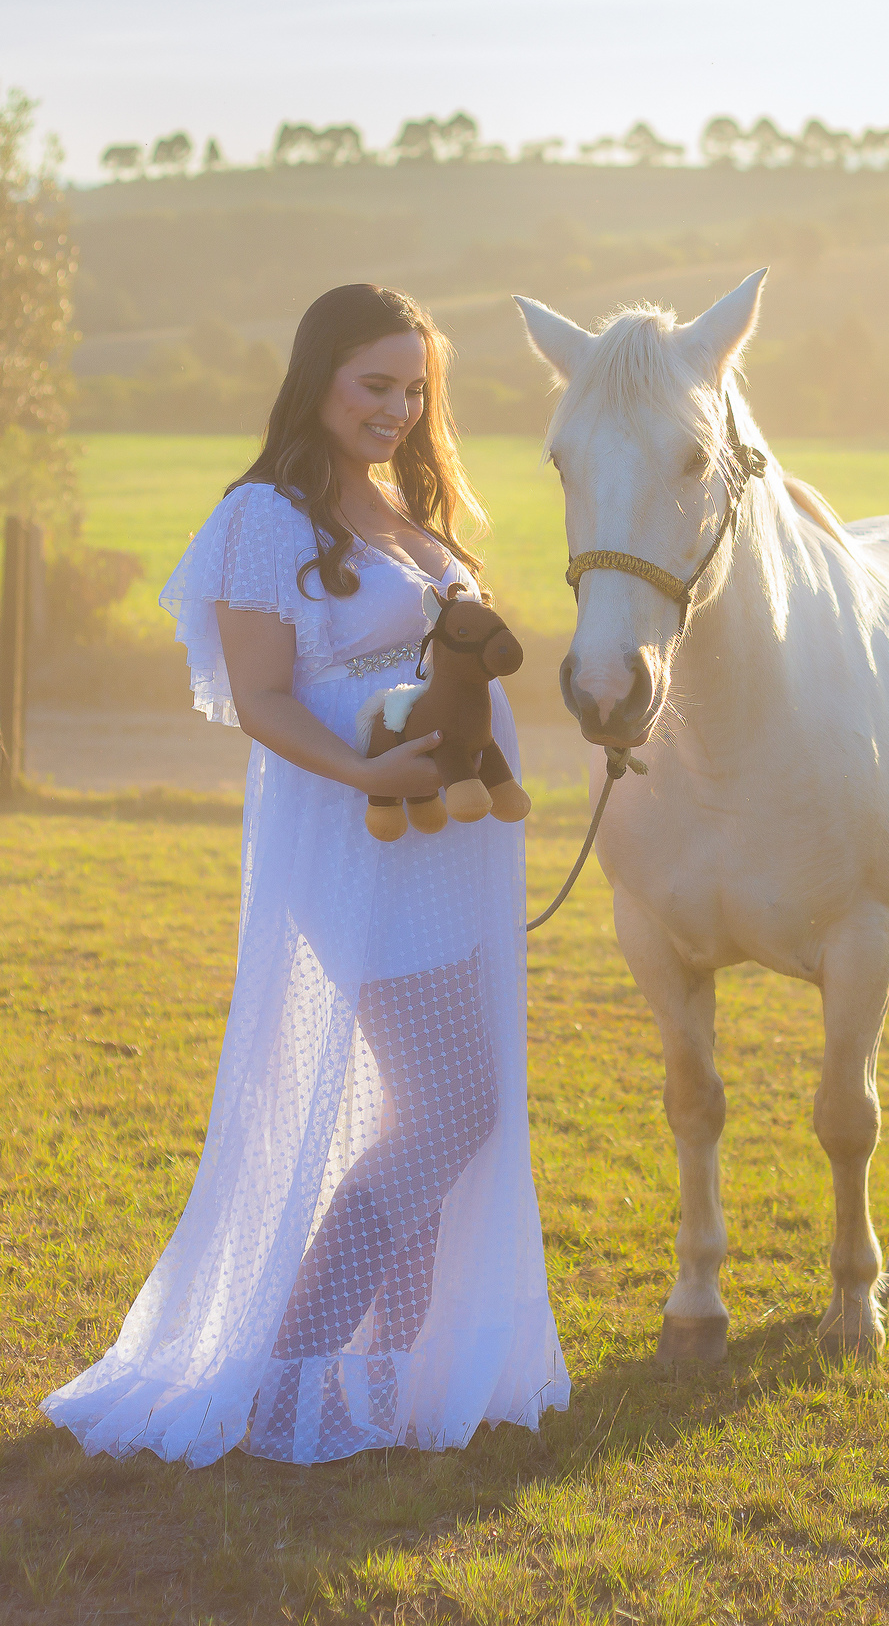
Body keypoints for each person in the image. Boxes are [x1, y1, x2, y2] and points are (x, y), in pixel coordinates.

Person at [42, 285, 569, 1467]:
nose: (396, 407)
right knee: (453, 1108)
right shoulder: (265, 517)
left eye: (414, 387)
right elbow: (262, 696)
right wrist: (365, 775)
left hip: (452, 843)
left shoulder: (400, 506)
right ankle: (294, 1363)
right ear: (318, 376)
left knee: (426, 1109)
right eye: (372, 383)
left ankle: (384, 1367)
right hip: (360, 843)